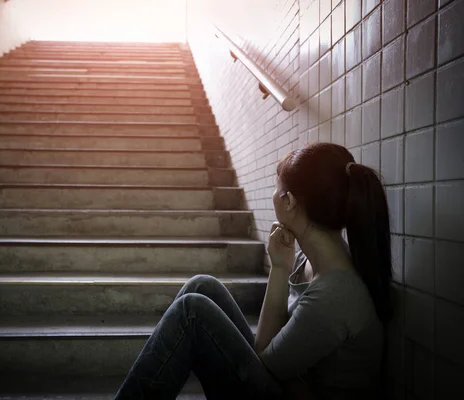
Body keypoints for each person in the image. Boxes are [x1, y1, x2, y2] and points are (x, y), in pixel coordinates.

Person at [114, 143, 393, 400]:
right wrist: (284, 265)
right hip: (289, 381)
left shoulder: (335, 291)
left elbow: (266, 359)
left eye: (276, 188)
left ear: (289, 202)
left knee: (192, 312)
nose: (272, 195)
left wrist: (279, 268)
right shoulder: (316, 258)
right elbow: (273, 353)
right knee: (202, 286)